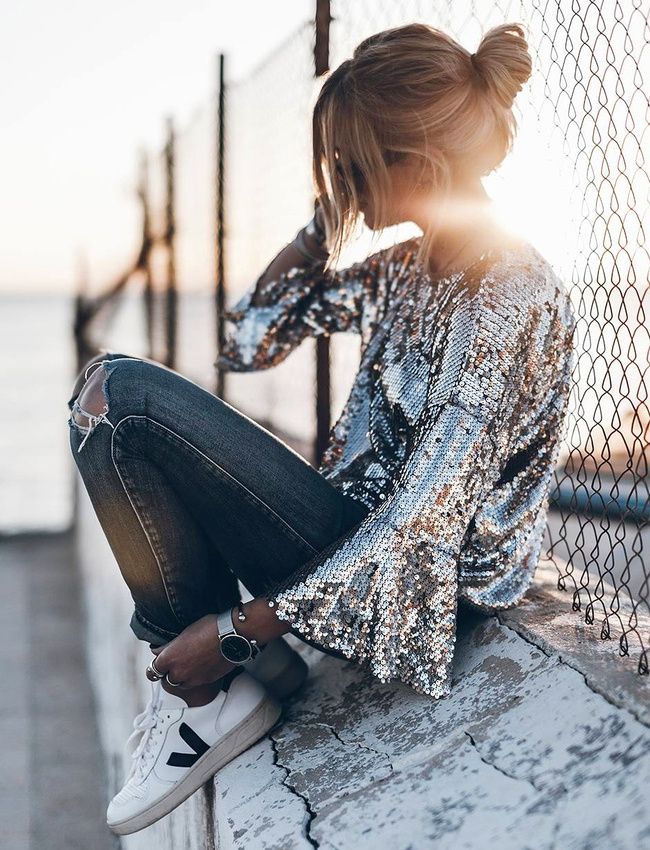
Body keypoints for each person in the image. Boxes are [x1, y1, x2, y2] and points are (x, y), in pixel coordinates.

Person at [66, 21, 576, 835]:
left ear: (418, 162)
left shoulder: (506, 293)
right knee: (103, 396)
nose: (338, 179)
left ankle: (214, 685)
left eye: (351, 162)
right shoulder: (411, 269)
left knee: (121, 397)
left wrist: (237, 629)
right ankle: (215, 694)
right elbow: (249, 337)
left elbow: (425, 525)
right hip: (349, 537)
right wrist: (322, 225)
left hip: (426, 584)